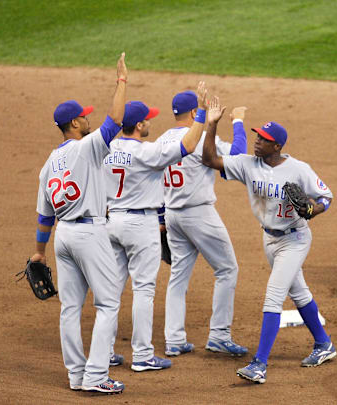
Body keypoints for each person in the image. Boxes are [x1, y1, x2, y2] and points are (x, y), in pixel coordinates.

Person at [201, 97, 336, 384]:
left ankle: (259, 364)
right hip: (270, 240)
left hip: (295, 239)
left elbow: (326, 196)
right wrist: (211, 126)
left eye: (264, 140)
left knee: (274, 296)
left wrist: (314, 208)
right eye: (257, 137)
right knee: (298, 293)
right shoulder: (249, 164)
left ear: (277, 146)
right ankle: (324, 345)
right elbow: (210, 160)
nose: (257, 142)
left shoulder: (299, 169)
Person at [29, 53, 128, 394]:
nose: (89, 119)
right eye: (84, 116)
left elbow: (45, 217)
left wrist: (39, 253)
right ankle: (97, 376)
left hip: (63, 237)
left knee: (70, 308)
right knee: (108, 303)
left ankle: (76, 374)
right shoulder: (86, 149)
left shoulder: (49, 163)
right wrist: (121, 82)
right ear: (75, 124)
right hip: (89, 232)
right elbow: (116, 121)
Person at [103, 83, 208, 371]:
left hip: (112, 221)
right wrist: (201, 117)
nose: (150, 121)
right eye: (147, 118)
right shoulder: (145, 152)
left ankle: (106, 351)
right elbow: (187, 146)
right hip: (139, 224)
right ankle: (142, 355)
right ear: (139, 125)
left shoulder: (107, 148)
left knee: (111, 291)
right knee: (144, 290)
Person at [156, 90, 248, 357]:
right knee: (227, 269)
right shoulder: (199, 140)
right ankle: (219, 335)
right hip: (199, 215)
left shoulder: (162, 141)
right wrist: (238, 121)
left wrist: (161, 219)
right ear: (195, 114)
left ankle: (174, 339)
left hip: (173, 216)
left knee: (178, 277)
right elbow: (238, 156)